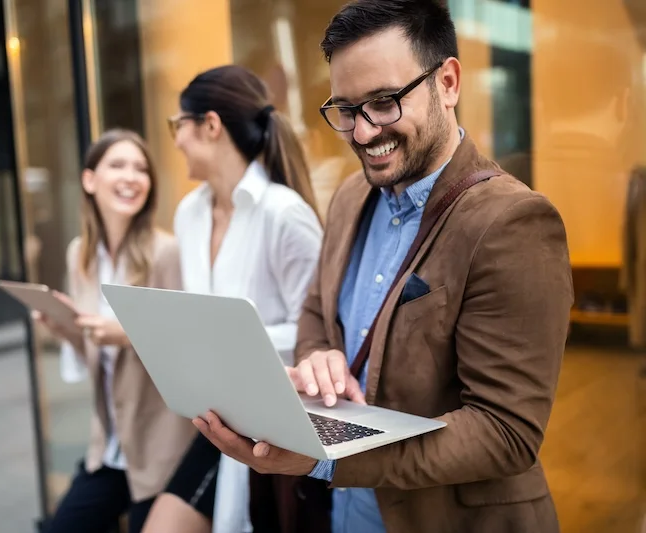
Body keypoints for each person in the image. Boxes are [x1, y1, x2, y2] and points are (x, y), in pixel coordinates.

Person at [192, 2, 573, 533]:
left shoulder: (513, 222)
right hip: (343, 514)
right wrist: (318, 356)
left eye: (385, 102)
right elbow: (315, 309)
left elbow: (505, 431)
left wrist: (327, 457)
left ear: (448, 82)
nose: (364, 133)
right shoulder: (351, 197)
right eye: (346, 110)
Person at [141, 65, 324, 533]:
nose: (176, 139)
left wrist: (232, 339)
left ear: (210, 125)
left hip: (277, 430)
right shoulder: (189, 214)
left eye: (177, 125)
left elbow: (320, 333)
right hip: (217, 421)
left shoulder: (284, 216)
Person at [36, 129, 196, 533]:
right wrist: (66, 329)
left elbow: (185, 344)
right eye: (118, 165)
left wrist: (125, 334)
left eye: (141, 168)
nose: (131, 176)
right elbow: (97, 351)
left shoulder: (166, 253)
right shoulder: (80, 255)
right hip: (108, 447)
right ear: (89, 180)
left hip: (161, 447)